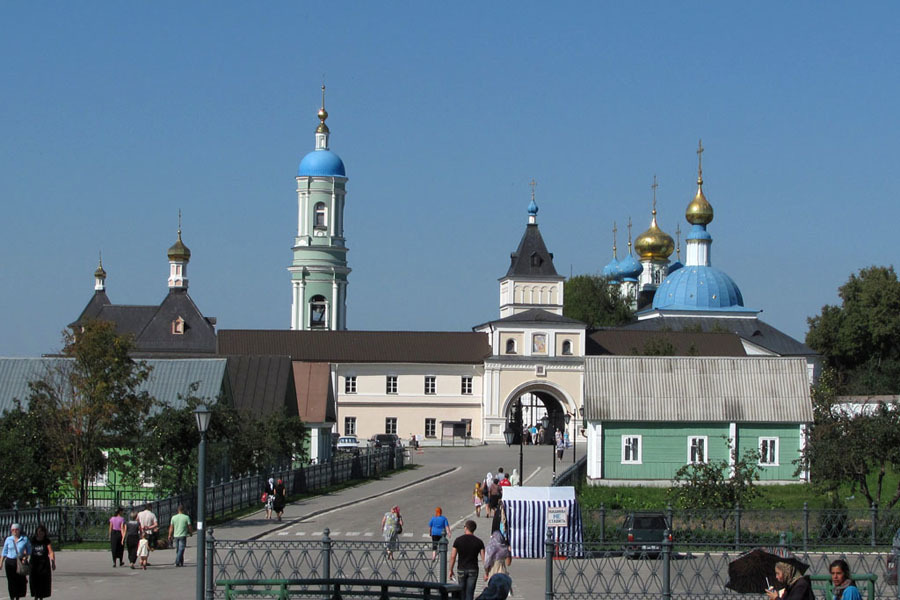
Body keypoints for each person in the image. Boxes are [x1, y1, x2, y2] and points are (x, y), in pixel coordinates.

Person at [449, 520, 485, 600]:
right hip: (473, 569)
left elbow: (453, 556)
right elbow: (483, 558)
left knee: (462, 592)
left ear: (466, 528)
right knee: (470, 593)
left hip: (461, 569)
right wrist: (486, 572)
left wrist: (450, 570)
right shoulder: (479, 542)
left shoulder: (458, 540)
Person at [3, 523, 30, 600]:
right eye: (13, 530)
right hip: (9, 562)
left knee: (19, 580)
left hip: (19, 561)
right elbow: (4, 552)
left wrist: (25, 557)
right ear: (11, 531)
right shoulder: (8, 539)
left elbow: (29, 550)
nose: (15, 531)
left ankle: (18, 597)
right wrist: (1, 562)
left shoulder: (24, 539)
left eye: (16, 529)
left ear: (19, 530)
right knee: (11, 581)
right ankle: (12, 597)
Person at [28, 525, 54, 600]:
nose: (41, 533)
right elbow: (28, 550)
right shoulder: (32, 540)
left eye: (42, 532)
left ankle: (41, 597)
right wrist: (24, 557)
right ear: (36, 532)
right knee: (34, 581)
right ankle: (36, 596)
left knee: (43, 582)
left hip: (44, 565)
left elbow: (50, 551)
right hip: (34, 564)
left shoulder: (46, 541)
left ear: (44, 533)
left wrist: (53, 562)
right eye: (39, 532)